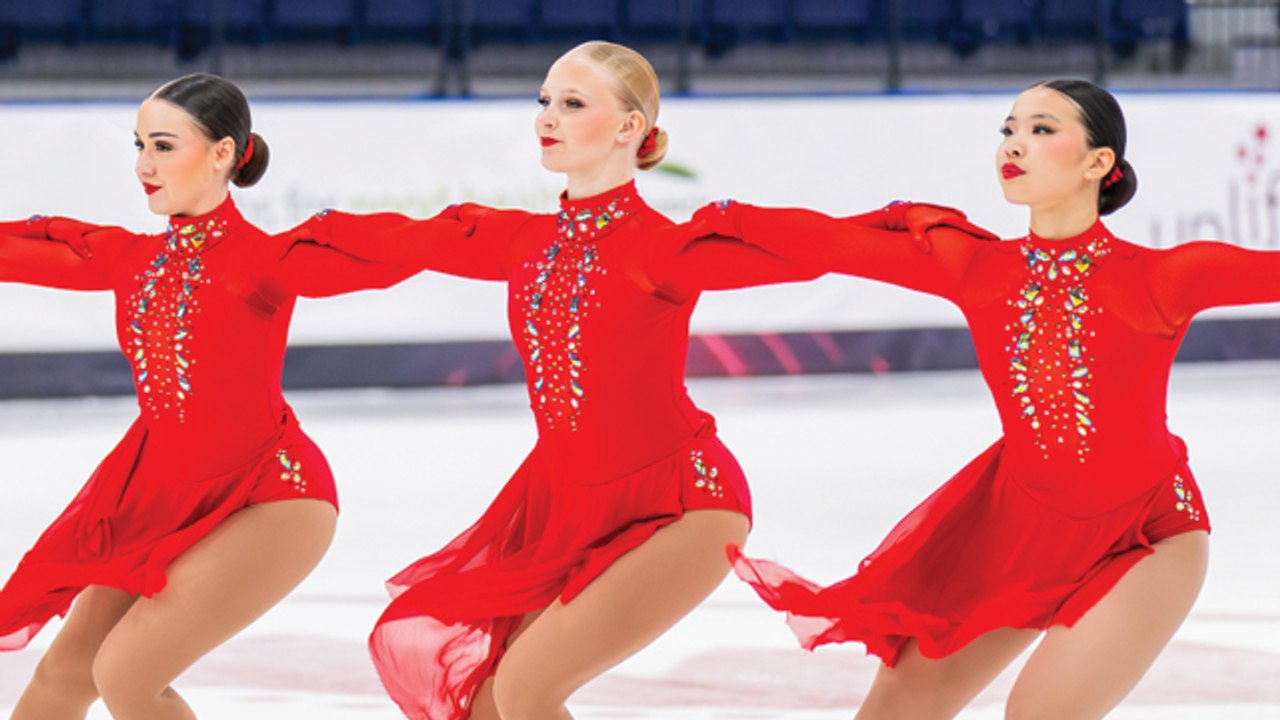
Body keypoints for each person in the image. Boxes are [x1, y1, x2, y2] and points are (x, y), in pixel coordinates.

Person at [290, 40, 964, 720]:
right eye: (545, 101)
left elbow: (809, 252)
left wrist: (897, 224)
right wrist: (308, 235)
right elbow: (418, 237)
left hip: (677, 505)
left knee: (525, 692)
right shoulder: (523, 241)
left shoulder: (660, 249)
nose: (548, 117)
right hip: (564, 504)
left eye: (573, 103)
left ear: (628, 128)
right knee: (493, 702)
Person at [686, 78, 1280, 719]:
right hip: (1019, 535)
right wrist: (726, 216)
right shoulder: (976, 268)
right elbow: (830, 243)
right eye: (1009, 129)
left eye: (1042, 129)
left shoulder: (1164, 277)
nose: (1015, 144)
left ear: (1097, 163)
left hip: (1146, 536)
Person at [0, 73, 426, 719]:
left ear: (224, 152)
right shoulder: (133, 260)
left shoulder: (264, 260)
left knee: (126, 675)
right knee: (64, 672)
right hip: (161, 494)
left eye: (164, 146)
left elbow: (407, 251)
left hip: (272, 497)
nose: (144, 166)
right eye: (139, 145)